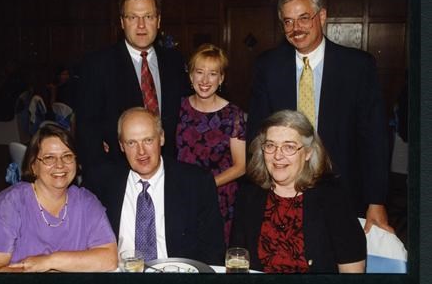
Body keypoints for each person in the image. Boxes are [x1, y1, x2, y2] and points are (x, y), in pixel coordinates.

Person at [247, 0, 393, 233]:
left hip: (343, 189)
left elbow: (375, 138)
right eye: (288, 22)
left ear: (322, 16)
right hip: (283, 188)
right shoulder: (267, 66)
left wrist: (376, 200)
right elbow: (257, 133)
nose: (296, 29)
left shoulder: (357, 67)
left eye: (304, 18)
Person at [0, 124, 118, 272]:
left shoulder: (86, 202)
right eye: (49, 158)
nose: (60, 165)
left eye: (67, 156)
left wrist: (49, 262)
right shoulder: (7, 207)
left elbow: (109, 258)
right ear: (33, 166)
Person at [75, 0, 189, 181]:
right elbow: (87, 129)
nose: (141, 25)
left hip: (168, 173)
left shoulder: (174, 61)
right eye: (133, 17)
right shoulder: (98, 65)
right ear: (122, 22)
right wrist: (104, 176)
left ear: (159, 20)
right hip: (118, 175)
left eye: (148, 17)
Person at [85, 107, 225, 265]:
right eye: (132, 143)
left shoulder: (196, 183)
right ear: (121, 146)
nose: (141, 151)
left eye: (148, 140)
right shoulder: (101, 182)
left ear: (162, 138)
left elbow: (213, 251)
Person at [231, 110, 366, 273]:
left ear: (308, 152)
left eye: (289, 147)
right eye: (270, 145)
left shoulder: (333, 198)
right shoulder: (249, 194)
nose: (277, 155)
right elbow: (237, 256)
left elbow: (352, 270)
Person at [175, 43, 246, 246]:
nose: (205, 80)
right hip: (180, 196)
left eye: (213, 73)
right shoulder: (177, 107)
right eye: (199, 72)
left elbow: (241, 167)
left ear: (221, 78)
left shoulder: (234, 114)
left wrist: (204, 186)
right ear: (190, 76)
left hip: (220, 199)